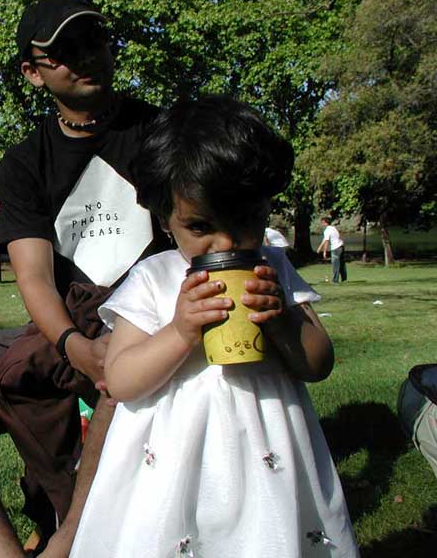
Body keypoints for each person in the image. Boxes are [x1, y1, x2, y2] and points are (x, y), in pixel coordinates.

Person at [0, 0, 169, 557]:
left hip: (153, 324)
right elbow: (35, 278)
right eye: (63, 51)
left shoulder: (163, 133)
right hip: (64, 326)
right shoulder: (24, 162)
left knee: (121, 377)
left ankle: (65, 543)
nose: (84, 57)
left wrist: (116, 346)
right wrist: (73, 345)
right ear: (33, 72)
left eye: (93, 40)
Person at [69, 96, 358, 557]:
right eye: (201, 227)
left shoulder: (274, 270)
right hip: (171, 458)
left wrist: (282, 320)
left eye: (243, 221)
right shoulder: (154, 279)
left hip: (268, 451)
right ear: (166, 220)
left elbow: (318, 362)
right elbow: (120, 380)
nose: (224, 244)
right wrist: (179, 332)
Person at [316, 216, 347, 283]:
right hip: (341, 246)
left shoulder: (327, 230)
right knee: (341, 263)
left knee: (335, 265)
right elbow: (325, 239)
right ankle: (344, 279)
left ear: (326, 223)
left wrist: (324, 251)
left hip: (335, 248)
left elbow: (327, 241)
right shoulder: (333, 228)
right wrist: (320, 247)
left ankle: (335, 280)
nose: (322, 224)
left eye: (323, 222)